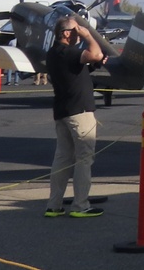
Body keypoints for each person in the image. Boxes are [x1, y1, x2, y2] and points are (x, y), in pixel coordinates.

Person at [44, 16, 107, 218]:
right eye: (76, 30)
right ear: (67, 33)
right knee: (84, 158)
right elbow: (95, 53)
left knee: (62, 158)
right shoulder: (69, 51)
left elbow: (80, 67)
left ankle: (54, 205)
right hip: (79, 112)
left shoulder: (54, 53)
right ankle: (81, 205)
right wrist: (88, 35)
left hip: (62, 111)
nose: (80, 32)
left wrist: (94, 62)